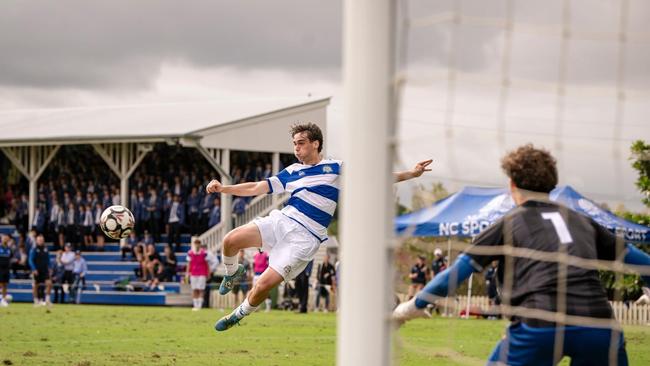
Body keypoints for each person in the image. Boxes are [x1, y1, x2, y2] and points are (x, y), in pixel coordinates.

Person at [393, 144, 650, 366]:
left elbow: (455, 274)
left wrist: (410, 308)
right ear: (552, 184)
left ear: (511, 184)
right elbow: (645, 265)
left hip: (540, 324)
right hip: (599, 327)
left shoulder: (508, 224)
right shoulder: (583, 222)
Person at [208, 122, 432, 331]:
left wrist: (412, 173)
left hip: (305, 238)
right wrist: (224, 188)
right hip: (283, 221)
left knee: (263, 285)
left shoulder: (335, 167)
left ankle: (239, 314)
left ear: (315, 144)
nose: (296, 148)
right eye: (294, 144)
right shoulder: (293, 171)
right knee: (230, 240)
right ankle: (232, 272)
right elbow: (257, 187)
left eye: (301, 143)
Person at [28, 234, 53, 306]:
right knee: (35, 285)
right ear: (36, 241)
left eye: (42, 240)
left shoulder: (46, 249)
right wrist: (34, 269)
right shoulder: (34, 249)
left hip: (45, 269)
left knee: (49, 284)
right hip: (37, 270)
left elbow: (48, 259)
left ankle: (47, 300)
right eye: (39, 240)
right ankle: (36, 301)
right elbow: (30, 260)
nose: (41, 241)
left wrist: (50, 268)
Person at [186, 239, 209, 311]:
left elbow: (207, 264)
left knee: (201, 289)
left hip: (202, 273)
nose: (197, 245)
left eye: (198, 243)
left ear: (200, 244)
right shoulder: (190, 253)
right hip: (193, 273)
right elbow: (188, 264)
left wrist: (208, 273)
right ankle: (195, 306)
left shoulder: (204, 253)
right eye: (196, 243)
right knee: (194, 289)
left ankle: (199, 306)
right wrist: (187, 273)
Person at [0, 235, 12, 307]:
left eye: (7, 239)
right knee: (0, 284)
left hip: (6, 269)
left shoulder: (8, 248)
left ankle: (4, 299)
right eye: (4, 238)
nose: (5, 240)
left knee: (5, 284)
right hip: (0, 268)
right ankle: (1, 298)